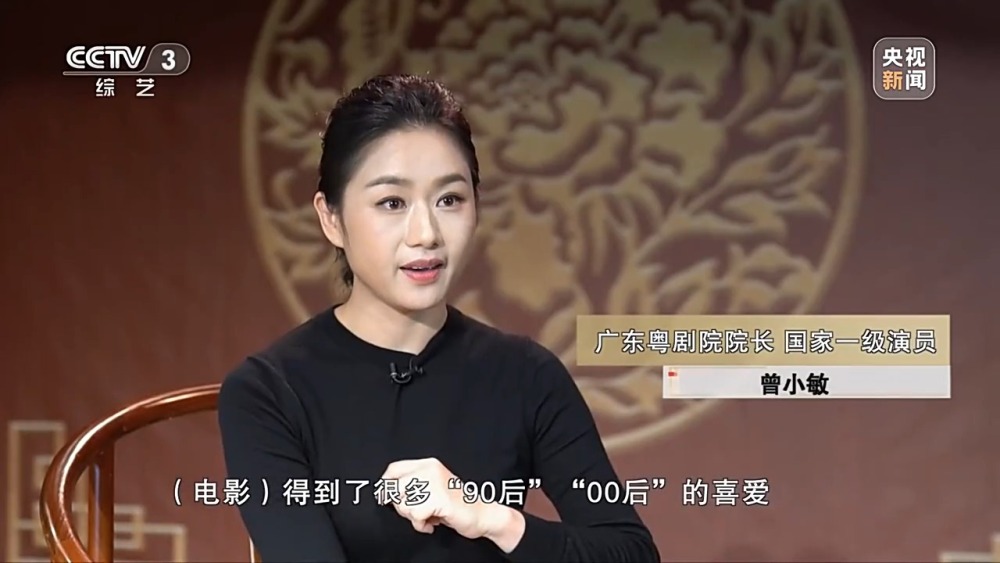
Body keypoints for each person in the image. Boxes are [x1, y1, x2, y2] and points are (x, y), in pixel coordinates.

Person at [217, 73, 660, 562]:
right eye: (392, 203)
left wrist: (493, 519)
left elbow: (630, 552)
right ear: (331, 218)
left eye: (449, 199)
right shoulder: (269, 391)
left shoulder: (525, 375)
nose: (426, 233)